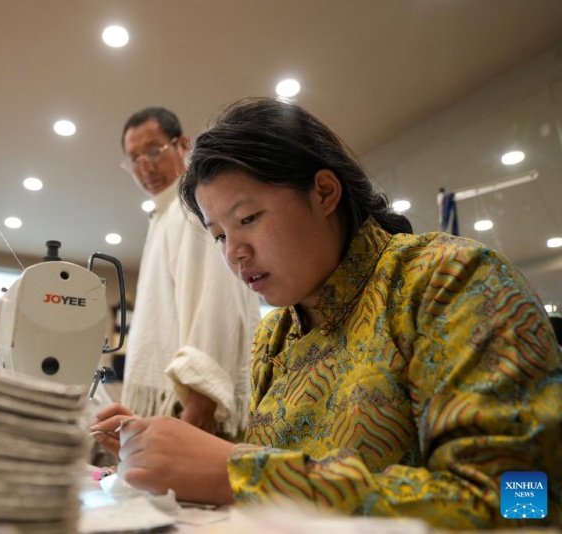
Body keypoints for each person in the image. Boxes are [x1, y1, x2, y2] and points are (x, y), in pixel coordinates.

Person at [92, 97, 562, 529]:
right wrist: (174, 454)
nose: (234, 252)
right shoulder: (274, 335)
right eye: (219, 235)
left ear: (323, 192)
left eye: (248, 219)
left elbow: (527, 504)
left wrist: (233, 470)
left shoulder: (452, 281)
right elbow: (277, 470)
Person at [115, 107, 260, 436]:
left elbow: (217, 303)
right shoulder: (164, 214)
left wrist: (201, 402)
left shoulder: (194, 206)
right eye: (134, 159)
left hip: (198, 404)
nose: (145, 167)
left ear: (183, 145)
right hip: (177, 401)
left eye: (154, 150)